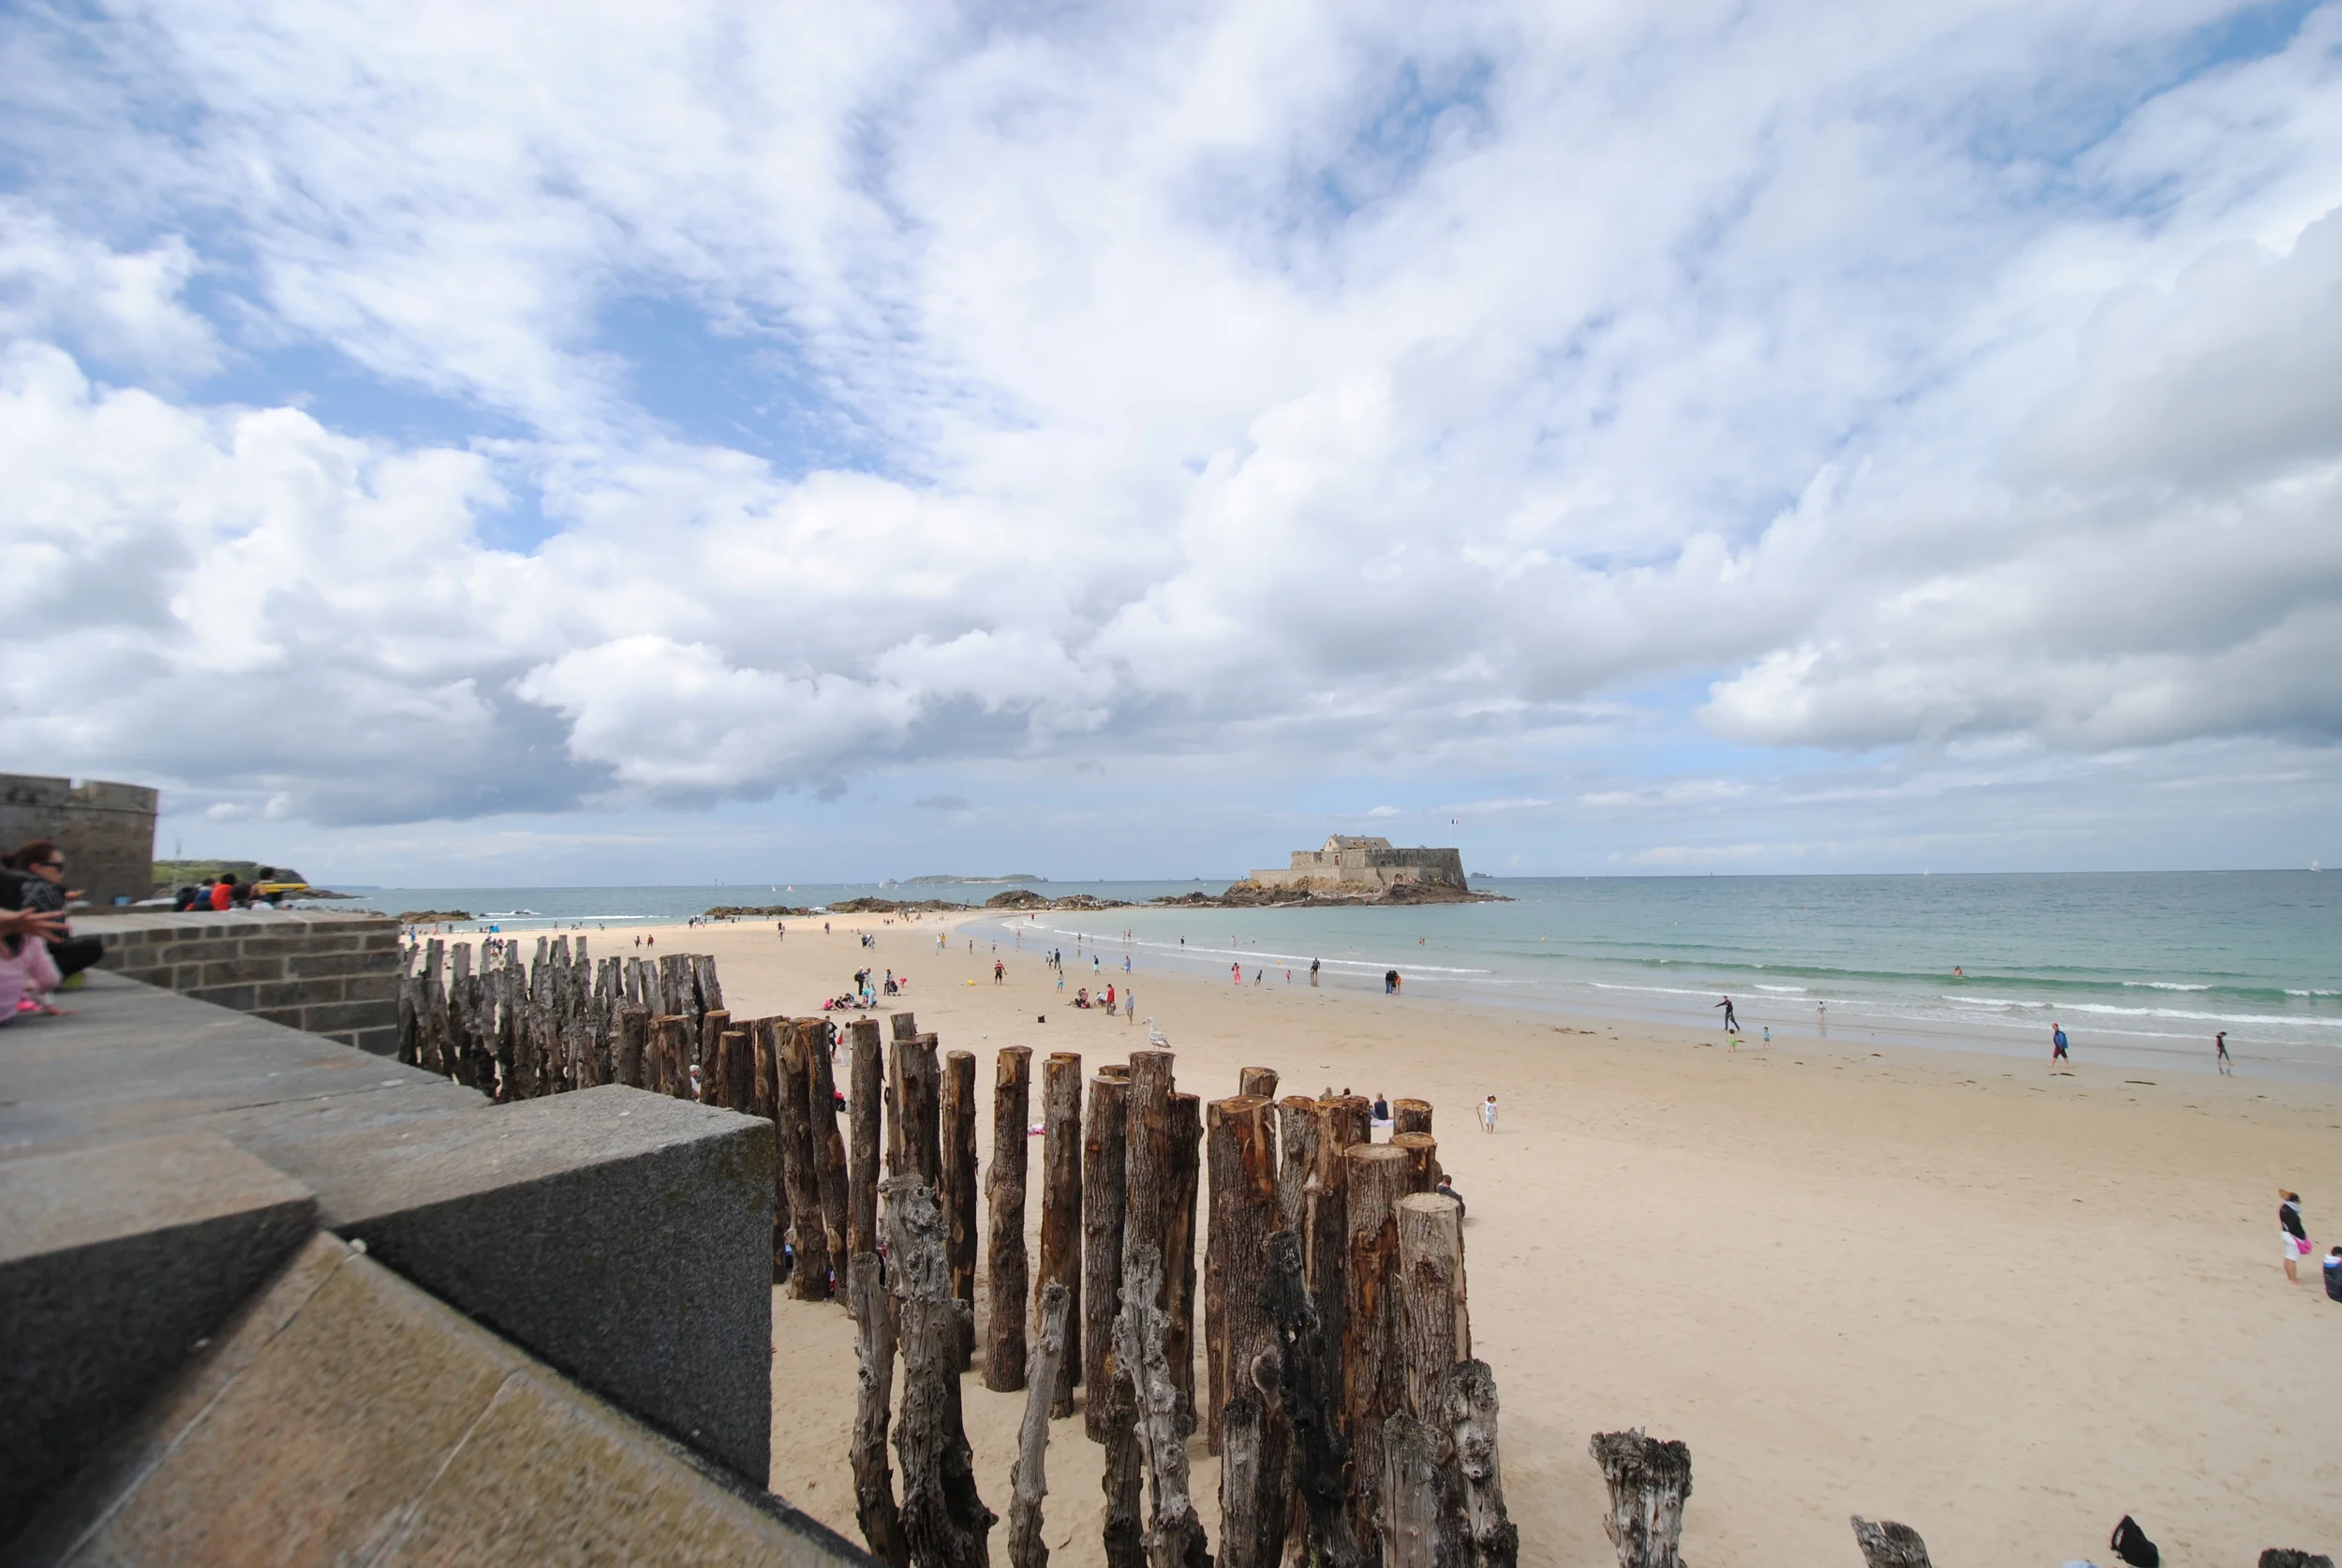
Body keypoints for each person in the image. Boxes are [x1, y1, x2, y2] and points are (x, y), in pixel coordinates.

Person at [6, 841, 104, 984]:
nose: (62, 873)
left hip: (10, 958)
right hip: (21, 963)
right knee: (93, 948)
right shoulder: (45, 888)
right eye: (58, 867)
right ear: (36, 868)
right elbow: (58, 939)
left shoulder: (13, 882)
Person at [2281, 1191, 2309, 1284]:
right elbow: (2294, 1227)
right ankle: (2294, 1280)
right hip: (2293, 1236)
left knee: (2288, 1256)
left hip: (2285, 1233)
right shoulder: (2292, 1213)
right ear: (2295, 1202)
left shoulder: (2283, 1208)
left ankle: (2290, 1277)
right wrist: (2300, 1238)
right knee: (2293, 1258)